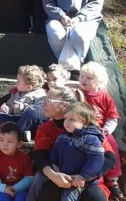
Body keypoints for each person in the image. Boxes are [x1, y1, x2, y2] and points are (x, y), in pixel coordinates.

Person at [26, 86, 115, 201]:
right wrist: (53, 175)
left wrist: (83, 177)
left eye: (49, 100)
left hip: (88, 181)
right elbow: (40, 155)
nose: (43, 104)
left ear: (65, 106)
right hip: (58, 176)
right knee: (48, 192)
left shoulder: (90, 129)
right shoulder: (46, 128)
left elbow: (109, 158)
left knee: (94, 195)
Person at [78, 62, 123, 199]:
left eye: (88, 78)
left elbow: (112, 117)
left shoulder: (104, 97)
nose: (83, 80)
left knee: (112, 146)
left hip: (100, 130)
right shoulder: (78, 94)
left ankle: (112, 180)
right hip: (82, 128)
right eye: (81, 76)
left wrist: (107, 129)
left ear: (99, 82)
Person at [48, 102, 105, 201]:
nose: (66, 122)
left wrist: (83, 176)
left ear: (85, 123)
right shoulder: (64, 136)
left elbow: (96, 159)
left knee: (68, 198)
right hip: (65, 177)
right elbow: (55, 151)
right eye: (65, 118)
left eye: (72, 119)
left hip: (80, 181)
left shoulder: (91, 139)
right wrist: (53, 163)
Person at [0, 65, 46, 141]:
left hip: (29, 122)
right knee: (0, 117)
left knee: (31, 114)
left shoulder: (40, 95)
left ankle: (9, 133)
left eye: (18, 81)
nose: (16, 82)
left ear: (28, 87)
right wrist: (7, 109)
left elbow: (40, 110)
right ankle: (19, 134)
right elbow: (10, 105)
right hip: (16, 120)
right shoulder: (16, 94)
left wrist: (23, 107)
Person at [0, 122, 34, 201]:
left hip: (20, 189)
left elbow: (29, 178)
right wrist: (3, 188)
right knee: (1, 198)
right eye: (1, 140)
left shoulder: (24, 158)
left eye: (10, 141)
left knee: (22, 198)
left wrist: (15, 188)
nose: (5, 145)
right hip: (2, 189)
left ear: (19, 144)